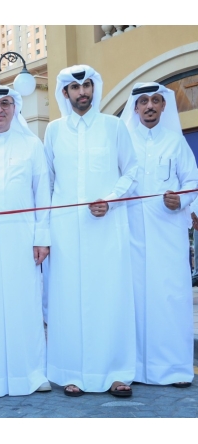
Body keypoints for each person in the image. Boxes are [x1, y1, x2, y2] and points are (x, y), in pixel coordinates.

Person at [44, 65, 138, 398]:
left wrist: (110, 200)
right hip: (67, 230)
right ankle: (72, 373)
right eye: (74, 87)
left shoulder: (114, 127)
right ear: (65, 93)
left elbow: (131, 172)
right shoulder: (53, 131)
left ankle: (116, 372)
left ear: (94, 89)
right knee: (68, 300)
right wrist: (45, 232)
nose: (82, 92)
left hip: (107, 226)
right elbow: (49, 182)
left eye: (86, 86)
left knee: (110, 297)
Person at [0, 86, 51, 397]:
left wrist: (42, 237)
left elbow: (42, 192)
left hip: (22, 238)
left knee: (24, 304)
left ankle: (31, 373)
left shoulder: (31, 144)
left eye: (5, 103)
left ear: (15, 108)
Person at [121, 82, 198, 388]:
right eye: (143, 101)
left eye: (155, 100)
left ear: (164, 106)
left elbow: (192, 181)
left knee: (170, 296)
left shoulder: (175, 142)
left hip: (168, 234)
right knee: (135, 298)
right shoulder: (124, 140)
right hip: (132, 235)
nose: (150, 106)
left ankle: (174, 368)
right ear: (135, 107)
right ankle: (136, 368)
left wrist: (181, 199)